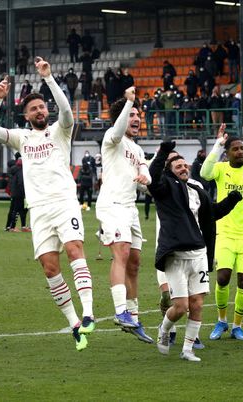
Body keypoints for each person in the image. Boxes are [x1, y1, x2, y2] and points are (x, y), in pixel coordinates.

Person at [0, 58, 95, 351]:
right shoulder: (21, 138)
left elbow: (68, 112)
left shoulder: (60, 130)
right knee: (49, 268)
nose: (40, 110)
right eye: (33, 108)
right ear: (26, 115)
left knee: (74, 250)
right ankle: (74, 324)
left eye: (42, 107)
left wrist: (47, 78)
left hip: (64, 202)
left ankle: (88, 312)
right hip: (39, 210)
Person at [149, 140, 242, 361]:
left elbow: (213, 214)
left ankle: (187, 349)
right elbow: (153, 177)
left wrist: (232, 200)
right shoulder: (164, 188)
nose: (183, 168)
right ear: (169, 171)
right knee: (180, 307)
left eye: (185, 165)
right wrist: (163, 152)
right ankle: (164, 330)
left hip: (198, 253)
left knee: (197, 304)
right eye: (178, 166)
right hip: (175, 256)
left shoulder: (197, 190)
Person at [200, 121, 243, 341]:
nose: (239, 152)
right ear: (227, 153)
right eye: (235, 149)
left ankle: (237, 325)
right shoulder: (220, 169)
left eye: (241, 148)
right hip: (225, 233)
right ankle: (221, 321)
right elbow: (205, 172)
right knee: (222, 277)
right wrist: (218, 145)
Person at [95, 87, 154, 343]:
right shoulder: (112, 136)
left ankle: (133, 314)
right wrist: (128, 101)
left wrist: (146, 177)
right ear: (122, 117)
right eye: (132, 114)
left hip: (130, 209)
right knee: (121, 253)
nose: (137, 118)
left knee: (135, 262)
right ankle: (120, 311)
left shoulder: (138, 150)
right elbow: (118, 131)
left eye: (139, 114)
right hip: (112, 204)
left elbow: (146, 180)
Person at [5, 155, 29, 232]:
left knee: (19, 210)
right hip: (19, 193)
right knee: (17, 210)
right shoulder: (20, 171)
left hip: (14, 192)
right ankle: (12, 227)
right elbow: (21, 182)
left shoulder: (13, 170)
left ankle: (19, 226)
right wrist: (24, 193)